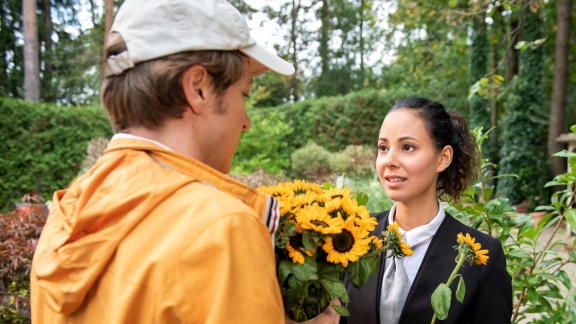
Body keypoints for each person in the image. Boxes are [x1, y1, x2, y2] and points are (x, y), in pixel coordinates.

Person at [30, 0, 339, 323]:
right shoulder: (221, 229)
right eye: (242, 95)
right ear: (198, 88)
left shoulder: (69, 211)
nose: (246, 120)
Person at [341, 98, 512, 323]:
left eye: (407, 147)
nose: (389, 160)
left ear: (443, 158)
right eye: (383, 148)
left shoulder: (482, 258)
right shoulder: (352, 236)